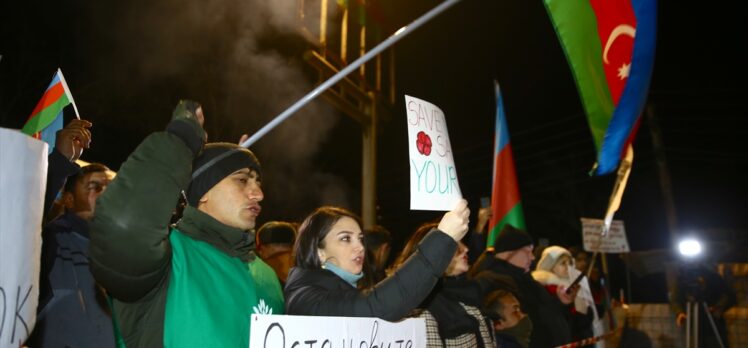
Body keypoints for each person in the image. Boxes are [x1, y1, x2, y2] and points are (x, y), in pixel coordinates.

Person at [89, 100, 284, 347]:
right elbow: (123, 227)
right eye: (242, 180)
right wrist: (180, 141)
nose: (258, 194)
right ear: (203, 192)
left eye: (258, 182)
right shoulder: (166, 260)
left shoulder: (268, 276)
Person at [284, 200, 470, 320]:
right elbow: (375, 306)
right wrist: (443, 238)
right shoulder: (306, 298)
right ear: (319, 252)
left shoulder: (338, 290)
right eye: (345, 238)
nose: (360, 247)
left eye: (361, 239)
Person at [27, 161, 117, 347]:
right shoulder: (52, 240)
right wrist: (61, 158)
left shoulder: (120, 249)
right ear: (69, 200)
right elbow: (27, 217)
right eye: (96, 187)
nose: (106, 194)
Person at [469, 225, 576, 348]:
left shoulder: (525, 278)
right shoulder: (489, 281)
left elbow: (543, 313)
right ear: (508, 253)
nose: (532, 257)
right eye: (527, 251)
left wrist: (560, 302)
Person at [392, 222, 495, 347]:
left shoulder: (469, 291)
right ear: (433, 254)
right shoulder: (423, 310)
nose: (466, 249)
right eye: (456, 246)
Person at [532, 246, 597, 343]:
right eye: (563, 263)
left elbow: (583, 320)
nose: (568, 267)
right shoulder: (542, 288)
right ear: (551, 266)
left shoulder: (575, 286)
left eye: (570, 263)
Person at [669, 262, 736, 348]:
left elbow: (729, 296)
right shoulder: (682, 279)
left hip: (713, 322)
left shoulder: (713, 277)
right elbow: (675, 299)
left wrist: (718, 308)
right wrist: (680, 312)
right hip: (693, 324)